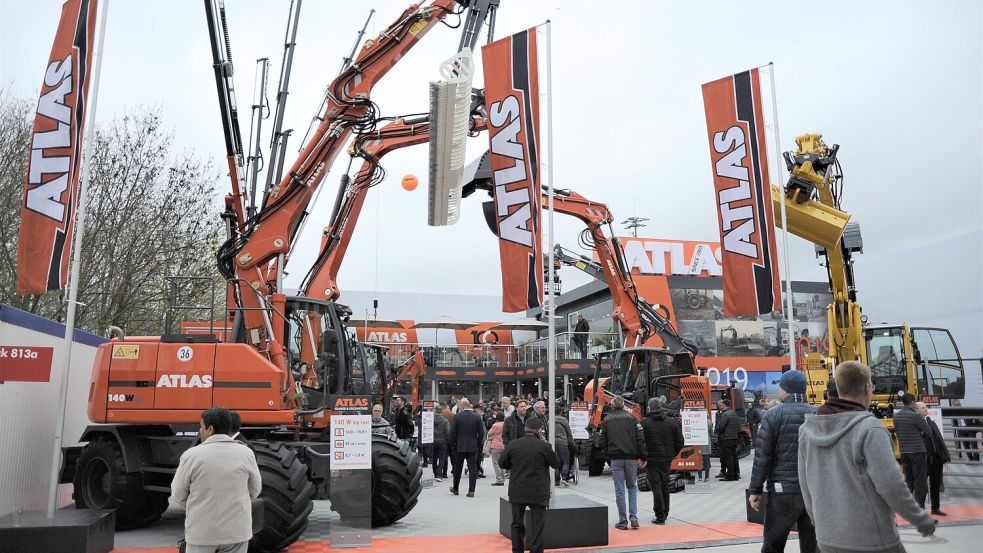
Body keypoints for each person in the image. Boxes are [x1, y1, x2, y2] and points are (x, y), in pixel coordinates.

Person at [799, 361, 936, 553]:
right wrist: (920, 520)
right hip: (872, 540)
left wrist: (819, 522)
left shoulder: (806, 431)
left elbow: (806, 485)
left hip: (827, 539)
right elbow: (890, 484)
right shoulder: (870, 429)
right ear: (867, 388)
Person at [170, 408, 261, 553]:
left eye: (201, 426)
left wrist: (198, 506)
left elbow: (177, 495)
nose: (200, 431)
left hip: (201, 533)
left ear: (210, 429)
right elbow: (255, 491)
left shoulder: (191, 456)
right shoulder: (246, 453)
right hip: (237, 533)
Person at [747, 370, 818, 553]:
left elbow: (763, 457)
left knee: (773, 544)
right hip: (813, 491)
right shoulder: (818, 414)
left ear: (785, 391)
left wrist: (755, 489)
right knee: (813, 545)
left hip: (782, 491)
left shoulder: (772, 415)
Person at [498, 418, 560, 553]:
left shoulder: (513, 444)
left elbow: (502, 463)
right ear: (539, 430)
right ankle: (536, 550)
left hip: (517, 489)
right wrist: (546, 443)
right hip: (538, 490)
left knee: (516, 524)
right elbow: (556, 463)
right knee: (538, 525)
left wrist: (514, 465)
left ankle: (517, 550)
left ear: (525, 427)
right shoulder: (544, 446)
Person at [598, 396, 647, 530]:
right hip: (631, 458)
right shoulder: (632, 418)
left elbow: (603, 440)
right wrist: (643, 456)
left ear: (612, 406)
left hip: (616, 459)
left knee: (619, 490)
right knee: (632, 488)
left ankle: (623, 521)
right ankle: (634, 518)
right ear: (624, 405)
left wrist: (607, 454)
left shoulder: (607, 420)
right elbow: (640, 439)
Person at [640, 398, 684, 525]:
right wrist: (672, 454)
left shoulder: (644, 423)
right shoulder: (671, 422)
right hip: (666, 459)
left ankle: (660, 515)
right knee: (664, 484)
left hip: (652, 460)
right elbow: (680, 441)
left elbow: (640, 443)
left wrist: (643, 457)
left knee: (656, 486)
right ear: (661, 407)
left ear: (649, 407)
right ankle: (665, 512)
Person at [894, 392, 932, 509]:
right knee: (920, 480)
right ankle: (920, 507)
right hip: (917, 451)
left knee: (908, 480)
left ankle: (909, 507)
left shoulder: (896, 416)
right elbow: (928, 432)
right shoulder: (915, 416)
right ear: (912, 402)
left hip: (904, 452)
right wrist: (920, 433)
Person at [917, 401, 950, 516]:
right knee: (921, 485)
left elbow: (938, 439)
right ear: (916, 410)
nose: (926, 409)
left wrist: (942, 455)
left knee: (935, 484)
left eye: (926, 407)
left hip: (936, 458)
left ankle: (935, 508)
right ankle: (920, 510)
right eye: (923, 407)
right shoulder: (916, 423)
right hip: (924, 458)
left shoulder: (930, 421)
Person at [449, 398, 485, 497]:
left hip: (459, 446)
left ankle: (455, 488)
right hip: (472, 446)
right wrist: (477, 443)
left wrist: (452, 445)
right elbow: (481, 433)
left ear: (463, 405)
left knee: (458, 468)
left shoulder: (457, 417)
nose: (458, 407)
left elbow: (453, 433)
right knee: (472, 468)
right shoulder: (477, 417)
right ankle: (471, 490)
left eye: (459, 405)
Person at [714, 399, 742, 481]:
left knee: (728, 457)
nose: (720, 407)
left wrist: (717, 431)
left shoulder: (726, 414)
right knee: (734, 456)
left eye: (721, 405)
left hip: (726, 438)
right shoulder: (733, 413)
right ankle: (735, 474)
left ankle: (729, 475)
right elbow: (738, 426)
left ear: (725, 405)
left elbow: (721, 427)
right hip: (734, 437)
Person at [553, 405, 575, 486]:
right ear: (561, 412)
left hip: (553, 443)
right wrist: (572, 444)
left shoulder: (549, 420)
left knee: (555, 461)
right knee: (566, 461)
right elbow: (569, 433)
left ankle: (556, 480)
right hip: (563, 442)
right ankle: (564, 477)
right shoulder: (564, 420)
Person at [488, 411, 507, 485]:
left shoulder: (495, 425)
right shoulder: (505, 424)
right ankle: (503, 478)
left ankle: (499, 479)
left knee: (496, 463)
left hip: (496, 445)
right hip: (504, 445)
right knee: (502, 463)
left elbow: (489, 434)